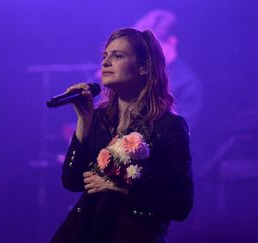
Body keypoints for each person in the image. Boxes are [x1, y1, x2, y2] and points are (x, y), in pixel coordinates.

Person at [51, 28, 193, 243]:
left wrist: (121, 187)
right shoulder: (98, 119)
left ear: (144, 68)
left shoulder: (168, 126)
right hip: (87, 232)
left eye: (118, 56)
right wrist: (84, 122)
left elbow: (181, 204)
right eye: (105, 56)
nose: (106, 62)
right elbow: (72, 181)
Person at [133, 9, 203, 130]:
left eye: (150, 45)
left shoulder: (188, 84)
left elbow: (182, 130)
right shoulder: (138, 70)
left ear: (172, 42)